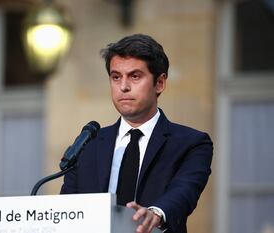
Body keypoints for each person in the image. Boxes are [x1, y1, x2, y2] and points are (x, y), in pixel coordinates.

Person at [60, 34, 213, 233]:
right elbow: (66, 212)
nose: (123, 87)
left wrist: (155, 214)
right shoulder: (88, 144)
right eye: (116, 77)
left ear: (159, 83)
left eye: (135, 76)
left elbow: (184, 191)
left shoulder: (192, 143)